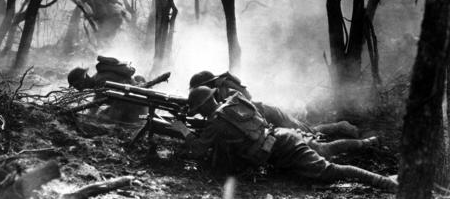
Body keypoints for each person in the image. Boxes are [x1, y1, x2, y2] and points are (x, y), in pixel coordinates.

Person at [170, 87, 397, 191]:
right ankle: (368, 144)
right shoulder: (233, 103)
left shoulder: (216, 122)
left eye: (198, 109)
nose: (199, 113)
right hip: (281, 139)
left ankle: (388, 182)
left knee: (330, 171)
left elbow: (198, 150)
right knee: (325, 150)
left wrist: (183, 130)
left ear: (203, 106)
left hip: (282, 148)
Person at [189, 71, 359, 139]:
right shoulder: (213, 95)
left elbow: (247, 96)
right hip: (259, 119)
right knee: (302, 132)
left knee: (308, 131)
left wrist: (228, 85)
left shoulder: (225, 86)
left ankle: (341, 126)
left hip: (266, 112)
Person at [68, 56, 147, 122]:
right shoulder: (98, 78)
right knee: (101, 117)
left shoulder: (100, 82)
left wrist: (84, 119)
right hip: (137, 105)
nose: (77, 89)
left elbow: (94, 108)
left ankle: (144, 120)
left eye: (76, 85)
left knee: (105, 120)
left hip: (137, 110)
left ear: (81, 81)